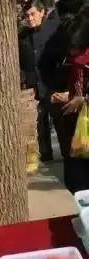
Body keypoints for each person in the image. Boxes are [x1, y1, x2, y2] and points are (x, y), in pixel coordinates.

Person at [40, 0, 89, 192]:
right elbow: (46, 65)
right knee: (76, 174)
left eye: (75, 49)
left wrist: (83, 99)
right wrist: (57, 92)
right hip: (74, 125)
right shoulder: (67, 39)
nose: (71, 54)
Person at [19, 1, 59, 161]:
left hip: (52, 84)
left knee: (59, 121)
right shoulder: (23, 36)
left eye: (33, 14)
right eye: (27, 15)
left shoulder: (53, 30)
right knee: (40, 123)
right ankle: (45, 155)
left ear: (42, 12)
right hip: (34, 86)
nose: (30, 18)